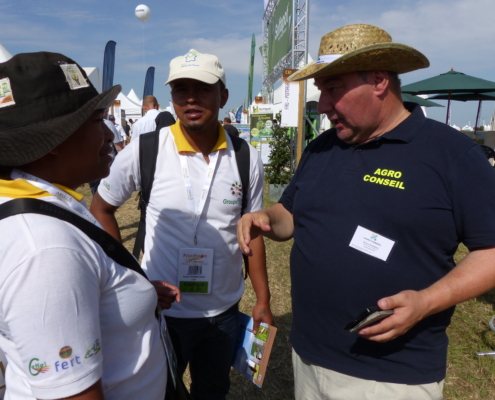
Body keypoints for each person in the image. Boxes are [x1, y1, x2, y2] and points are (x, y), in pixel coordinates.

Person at [237, 23, 495, 400]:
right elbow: (289, 214)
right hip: (308, 358)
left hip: (391, 376)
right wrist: (265, 218)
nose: (324, 105)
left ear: (378, 81)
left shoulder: (452, 155)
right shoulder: (322, 147)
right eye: (322, 91)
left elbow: (490, 251)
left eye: (334, 89)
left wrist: (427, 302)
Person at [90, 48, 272, 400]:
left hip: (223, 310)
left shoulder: (245, 156)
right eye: (180, 89)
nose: (190, 98)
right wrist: (134, 279)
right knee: (161, 393)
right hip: (163, 311)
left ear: (223, 96)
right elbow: (101, 208)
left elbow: (252, 232)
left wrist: (263, 298)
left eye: (202, 88)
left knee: (212, 392)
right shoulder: (145, 149)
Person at [0, 52, 170, 399]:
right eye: (97, 121)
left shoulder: (45, 207)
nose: (109, 134)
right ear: (52, 140)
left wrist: (129, 293)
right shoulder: (46, 250)